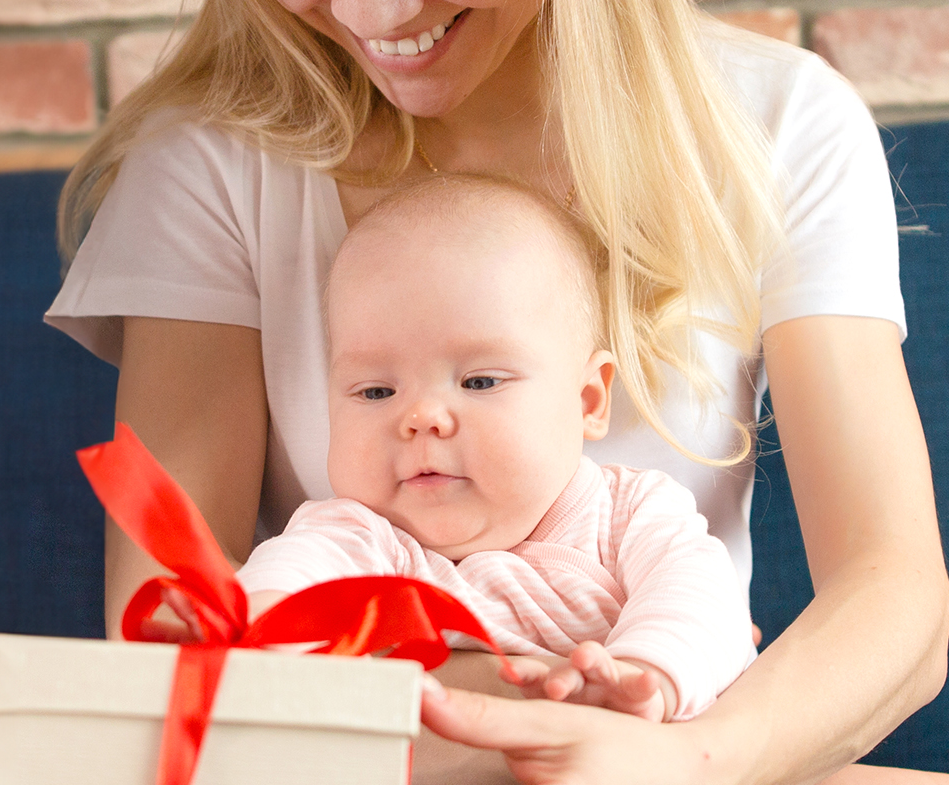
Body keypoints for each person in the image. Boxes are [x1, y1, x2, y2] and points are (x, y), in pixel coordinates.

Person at [46, 0, 949, 781]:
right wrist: (522, 736)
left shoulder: (775, 126)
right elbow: (172, 650)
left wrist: (683, 763)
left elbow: (897, 601)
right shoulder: (214, 167)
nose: (369, 10)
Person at [236, 175, 757, 724]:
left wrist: (637, 678)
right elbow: (284, 588)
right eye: (376, 392)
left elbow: (704, 603)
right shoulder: (357, 538)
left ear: (588, 400)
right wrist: (249, 627)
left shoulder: (631, 516)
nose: (420, 418)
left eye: (479, 382)